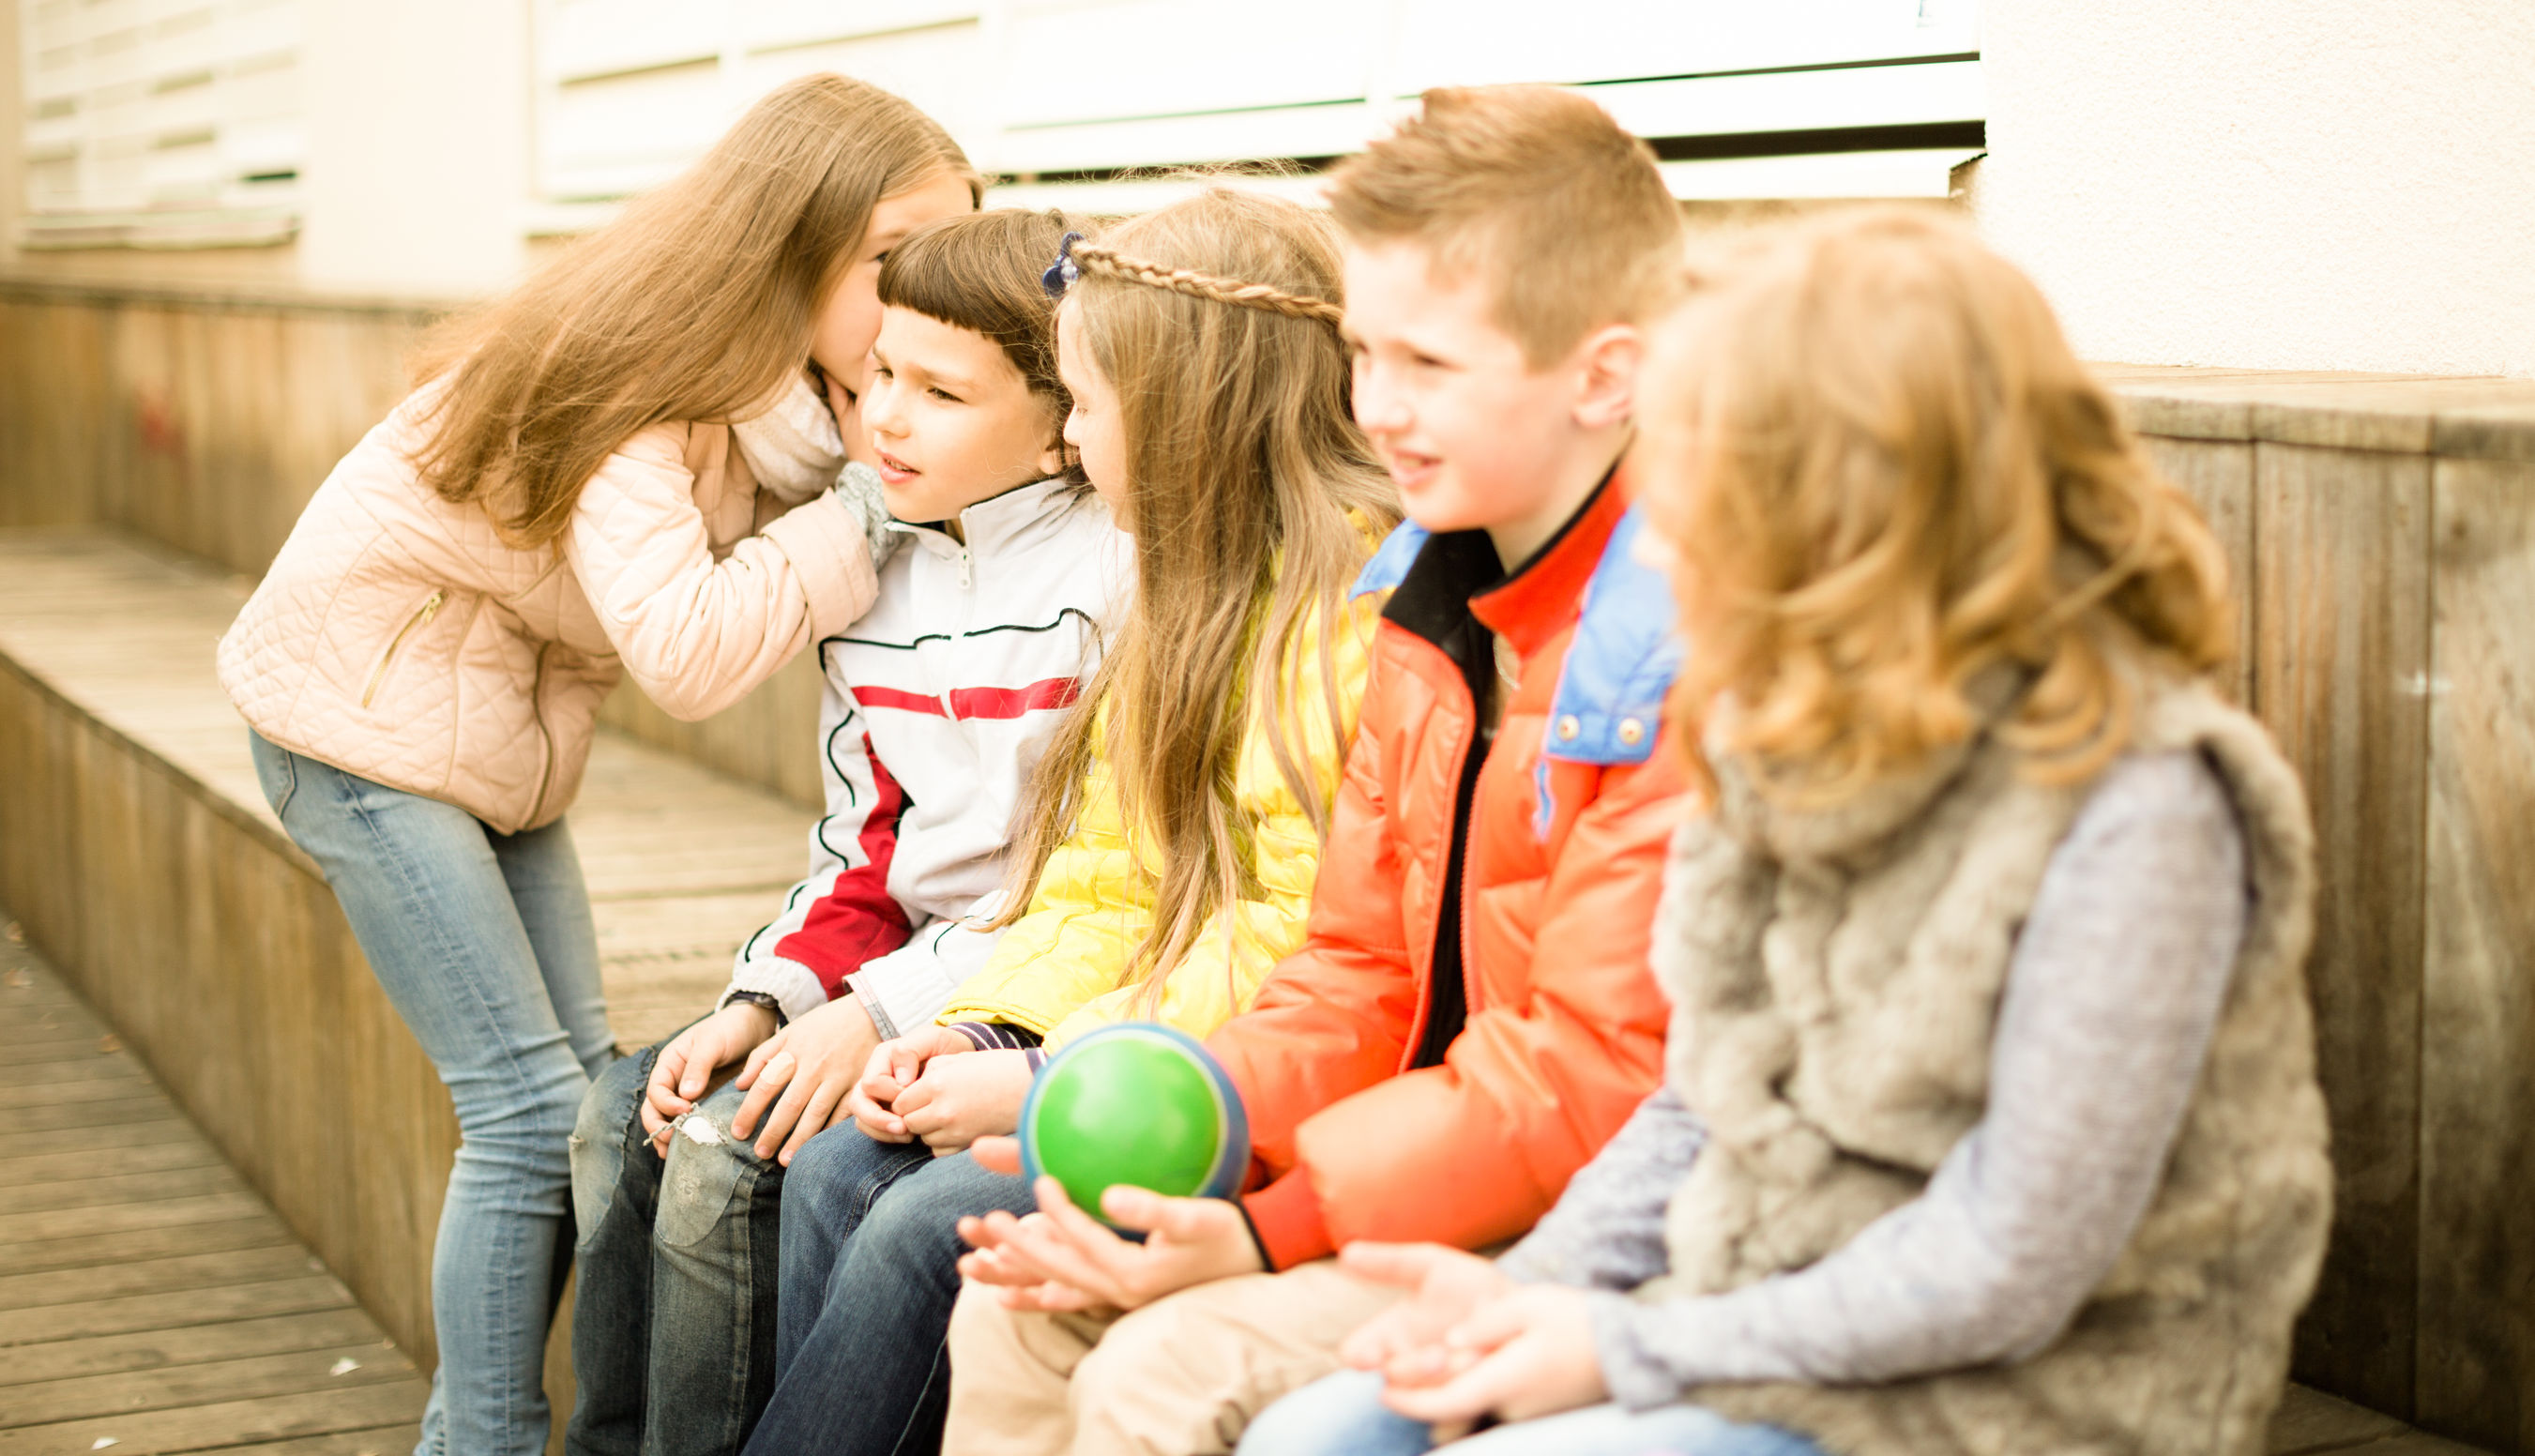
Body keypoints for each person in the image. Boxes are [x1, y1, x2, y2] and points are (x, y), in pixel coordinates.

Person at [1241, 208, 2333, 1456]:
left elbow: (2012, 1256)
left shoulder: (2140, 803)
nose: (1659, 525)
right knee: (1319, 1437)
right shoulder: (1779, 728)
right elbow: (1696, 1102)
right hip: (1749, 1308)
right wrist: (1525, 1294)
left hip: (2028, 1389)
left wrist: (1622, 1350)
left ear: (1855, 496)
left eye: (1704, 474)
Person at [216, 74, 976, 1456]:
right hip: (357, 725)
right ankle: (480, 1441)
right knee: (519, 1113)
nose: (920, 294)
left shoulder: (792, 401)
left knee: (580, 1110)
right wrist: (864, 505)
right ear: (790, 244)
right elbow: (685, 653)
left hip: (494, 732)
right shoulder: (651, 387)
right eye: (892, 261)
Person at [936, 85, 1694, 1456]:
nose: (1382, 410)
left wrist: (1260, 1225)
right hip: (1411, 1152)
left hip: (1585, 1216)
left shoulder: (1664, 657)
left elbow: (1590, 1076)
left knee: (1157, 1377)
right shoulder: (1431, 604)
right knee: (1013, 1302)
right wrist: (1182, 1111)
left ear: (1602, 375)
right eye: (1364, 356)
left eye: (1432, 367)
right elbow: (1356, 969)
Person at [740, 187, 1397, 1456]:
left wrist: (1046, 1078)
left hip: (1244, 1077)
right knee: (833, 1167)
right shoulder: (1180, 587)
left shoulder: (1337, 621)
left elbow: (1294, 929)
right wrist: (987, 1023)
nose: (1076, 448)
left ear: (1187, 416)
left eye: (1087, 408)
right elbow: (1102, 878)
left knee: (933, 1228)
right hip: (1135, 1037)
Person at [562, 208, 1128, 1456]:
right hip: (889, 977)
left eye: (941, 391)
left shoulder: (1114, 579)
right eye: (878, 375)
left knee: (723, 1158)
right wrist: (764, 1002)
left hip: (1018, 986)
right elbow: (862, 849)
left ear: (1058, 411)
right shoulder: (873, 581)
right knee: (622, 1115)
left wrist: (870, 1015)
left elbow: (1087, 888)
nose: (886, 420)